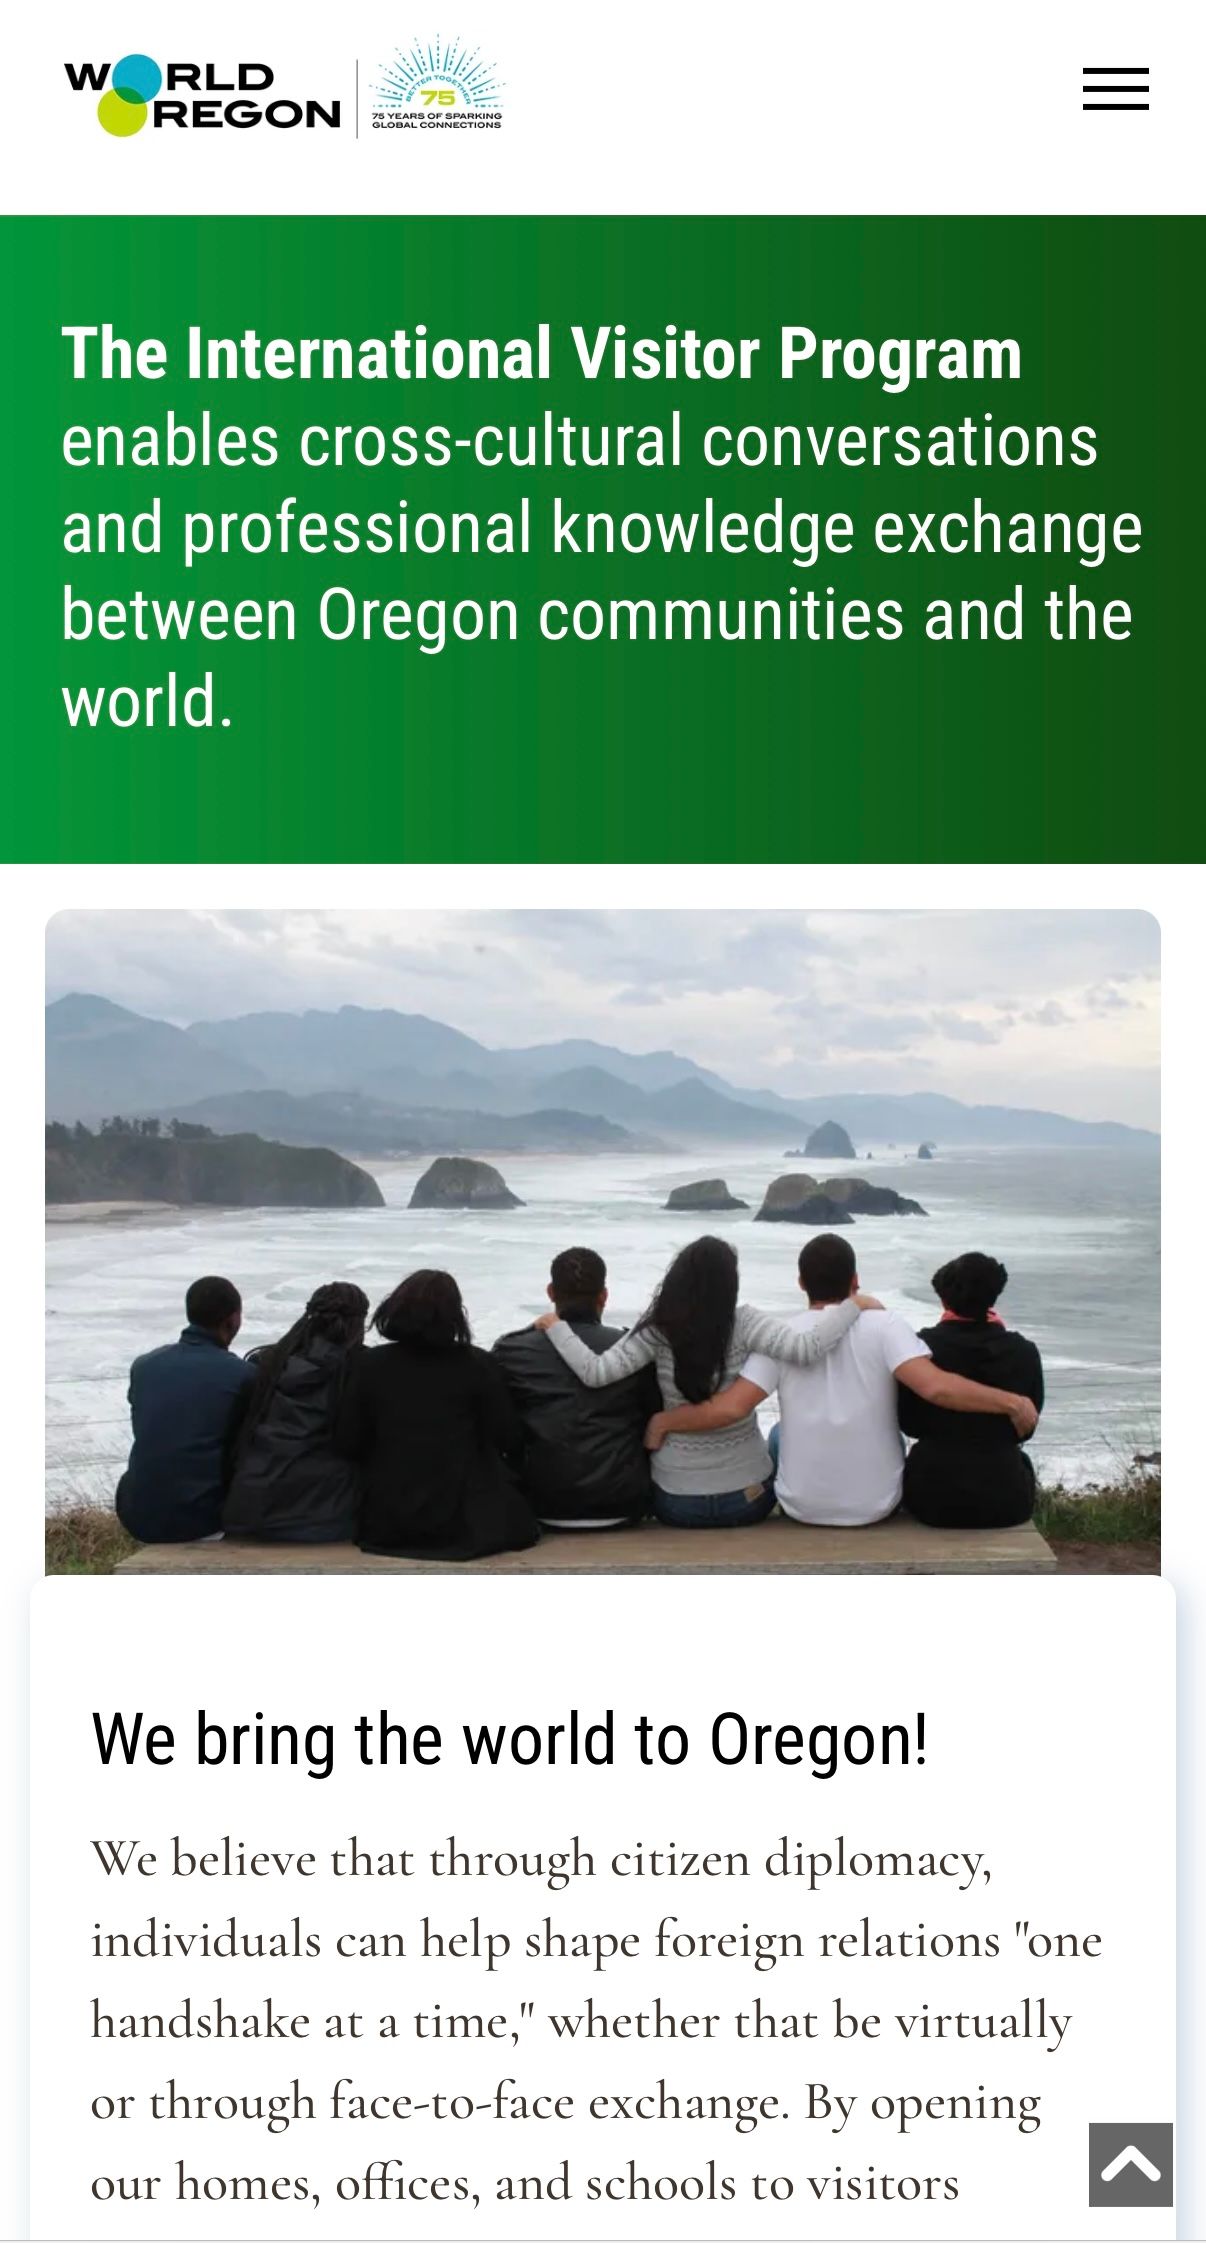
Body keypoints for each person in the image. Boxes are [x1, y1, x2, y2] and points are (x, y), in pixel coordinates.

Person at [645, 1233, 1039, 1528]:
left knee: (780, 1434)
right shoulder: (885, 1326)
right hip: (877, 1505)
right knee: (893, 1435)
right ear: (856, 1280)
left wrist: (665, 1422)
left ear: (801, 1282)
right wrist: (1012, 1402)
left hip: (803, 1507)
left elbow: (732, 1408)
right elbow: (936, 1387)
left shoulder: (781, 1336)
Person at [534, 1234, 873, 1527]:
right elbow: (808, 1347)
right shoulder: (746, 1322)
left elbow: (594, 1373)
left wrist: (557, 1328)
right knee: (777, 1438)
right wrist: (854, 1304)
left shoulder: (658, 1328)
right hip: (747, 1500)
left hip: (676, 1504)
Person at [335, 1269, 538, 1561]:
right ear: (455, 1315)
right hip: (468, 1523)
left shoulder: (368, 1365)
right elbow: (508, 1437)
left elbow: (348, 1442)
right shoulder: (478, 1364)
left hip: (390, 1521)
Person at [493, 1247, 658, 1530]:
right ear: (604, 1296)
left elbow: (499, 1427)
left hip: (539, 1502)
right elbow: (652, 1419)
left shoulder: (511, 1349)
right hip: (623, 1502)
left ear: (550, 1292)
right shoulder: (633, 1351)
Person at [899, 1252, 1044, 1527]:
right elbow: (1028, 1427)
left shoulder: (920, 1349)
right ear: (993, 1298)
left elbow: (910, 1424)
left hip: (932, 1497)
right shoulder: (1023, 1352)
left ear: (944, 1299)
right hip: (1006, 1499)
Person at [223, 1282, 369, 1544]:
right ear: (359, 1324)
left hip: (250, 1509)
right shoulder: (359, 1370)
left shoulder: (268, 1363)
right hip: (325, 1519)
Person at [115, 1275, 255, 1544]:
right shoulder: (244, 1375)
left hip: (138, 1514)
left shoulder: (144, 1366)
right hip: (202, 1520)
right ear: (234, 1319)